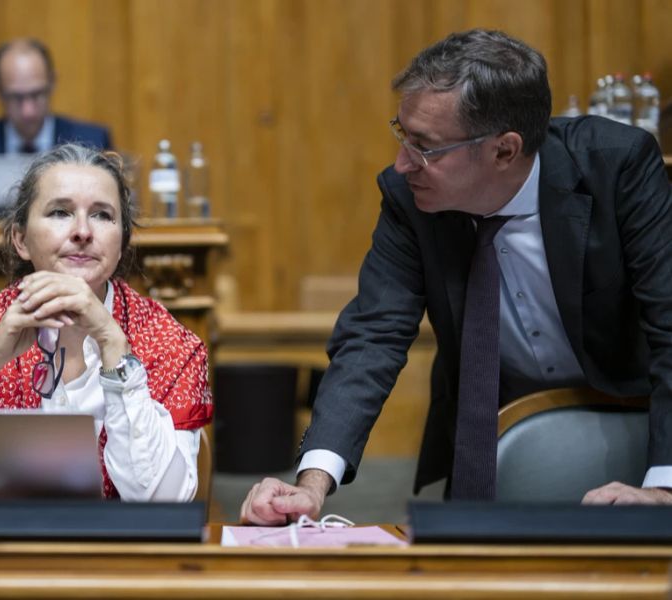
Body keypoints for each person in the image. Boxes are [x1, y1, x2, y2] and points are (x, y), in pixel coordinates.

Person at [241, 29, 672, 525]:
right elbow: (373, 335)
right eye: (402, 135)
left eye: (424, 147)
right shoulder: (410, 200)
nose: (403, 164)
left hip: (636, 423)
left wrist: (662, 487)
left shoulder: (616, 167)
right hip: (490, 440)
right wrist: (313, 483)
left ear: (504, 151)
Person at [0, 143, 212, 501]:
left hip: (120, 551)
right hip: (0, 547)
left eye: (103, 215)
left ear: (121, 245)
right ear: (21, 239)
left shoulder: (168, 342)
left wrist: (114, 347)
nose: (83, 231)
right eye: (60, 212)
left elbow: (164, 503)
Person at [0, 38, 113, 206]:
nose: (28, 111)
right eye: (16, 97)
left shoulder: (91, 142)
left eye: (37, 95)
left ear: (52, 82)